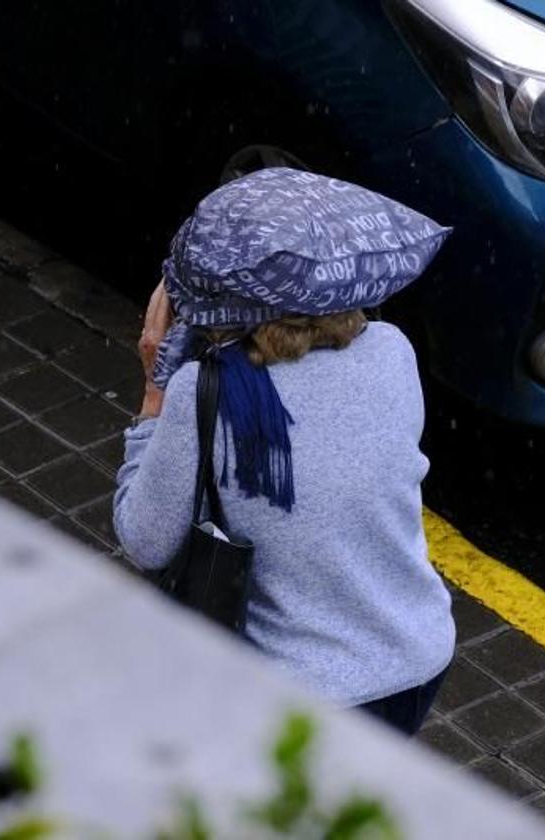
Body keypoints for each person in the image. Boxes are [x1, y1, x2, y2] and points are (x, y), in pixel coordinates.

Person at [112, 168, 456, 735]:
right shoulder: (393, 352)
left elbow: (144, 540)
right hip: (416, 660)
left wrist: (154, 393)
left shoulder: (204, 392)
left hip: (305, 700)